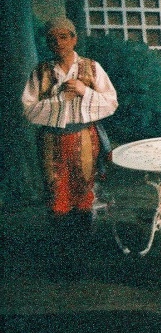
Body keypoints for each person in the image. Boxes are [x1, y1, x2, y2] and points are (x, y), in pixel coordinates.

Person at [22, 17, 118, 279]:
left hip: (84, 138)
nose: (59, 43)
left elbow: (111, 103)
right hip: (52, 142)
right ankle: (63, 261)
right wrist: (61, 99)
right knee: (57, 197)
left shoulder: (91, 68)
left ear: (74, 39)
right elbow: (28, 110)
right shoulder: (41, 72)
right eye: (53, 39)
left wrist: (85, 92)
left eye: (64, 37)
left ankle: (82, 259)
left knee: (83, 195)